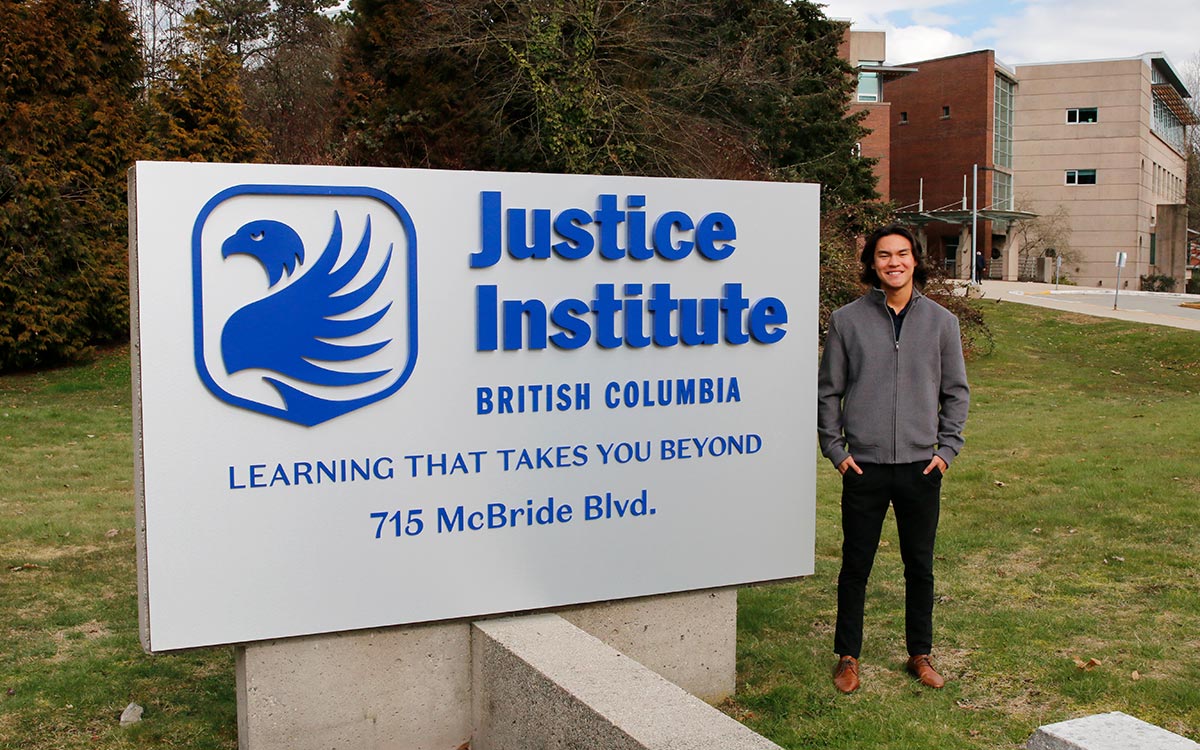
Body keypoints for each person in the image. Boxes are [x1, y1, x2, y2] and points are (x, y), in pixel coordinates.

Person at [816, 224, 970, 694]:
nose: (894, 262)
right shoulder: (847, 321)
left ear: (915, 260)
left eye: (902, 254)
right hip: (864, 466)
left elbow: (956, 393)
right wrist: (836, 450)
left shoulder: (943, 323)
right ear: (872, 263)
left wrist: (945, 451)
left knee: (919, 565)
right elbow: (829, 392)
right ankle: (848, 657)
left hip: (922, 468)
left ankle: (919, 654)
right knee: (855, 565)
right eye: (884, 255)